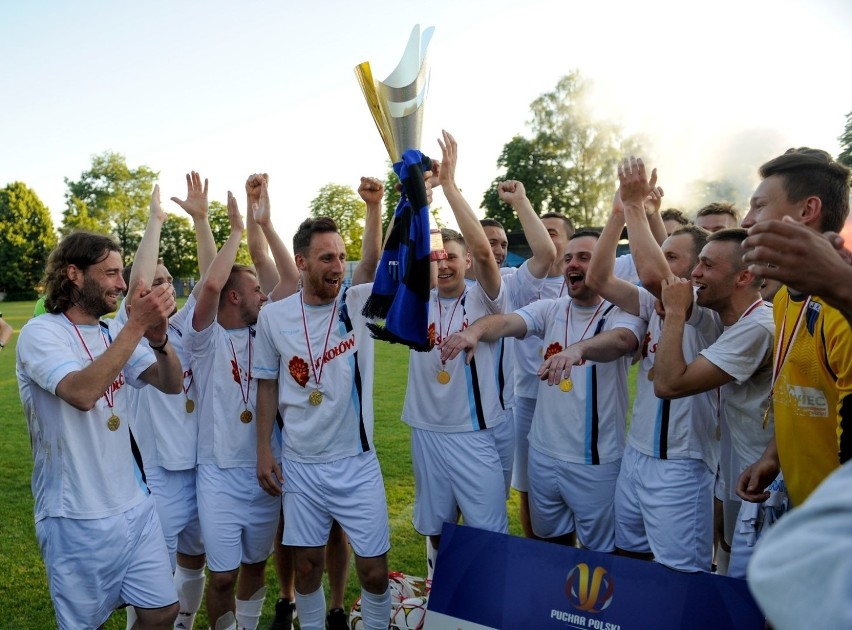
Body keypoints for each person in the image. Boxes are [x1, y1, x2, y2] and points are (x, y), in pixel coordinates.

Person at [16, 229, 183, 629]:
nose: (122, 284)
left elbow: (172, 383)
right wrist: (136, 326)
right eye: (110, 274)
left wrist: (159, 342)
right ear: (74, 273)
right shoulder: (41, 333)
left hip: (135, 504)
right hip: (76, 514)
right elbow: (82, 392)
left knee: (163, 612)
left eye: (121, 273)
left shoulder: (111, 333)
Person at [442, 229, 644, 550]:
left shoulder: (621, 311)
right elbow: (507, 322)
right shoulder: (552, 307)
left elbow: (623, 341)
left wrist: (577, 350)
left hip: (595, 461)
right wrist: (476, 331)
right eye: (568, 258)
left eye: (584, 258)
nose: (572, 264)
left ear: (606, 266)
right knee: (549, 545)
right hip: (543, 455)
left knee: (601, 555)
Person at [254, 187, 388, 630]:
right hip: (302, 464)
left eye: (340, 256)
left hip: (356, 463)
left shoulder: (357, 303)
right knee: (307, 569)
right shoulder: (274, 317)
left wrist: (374, 208)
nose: (337, 266)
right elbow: (268, 386)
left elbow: (372, 264)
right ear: (301, 262)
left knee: (373, 571)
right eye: (326, 257)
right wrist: (264, 451)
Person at [586, 158, 722, 572]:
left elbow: (653, 276)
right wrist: (618, 217)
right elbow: (599, 280)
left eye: (675, 257)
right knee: (629, 558)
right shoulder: (654, 305)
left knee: (682, 573)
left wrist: (633, 208)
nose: (664, 263)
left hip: (681, 464)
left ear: (698, 269)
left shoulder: (705, 311)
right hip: (637, 453)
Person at [118, 174, 216, 629]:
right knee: (152, 579)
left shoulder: (190, 329)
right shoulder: (133, 331)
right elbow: (138, 280)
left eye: (164, 281)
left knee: (195, 558)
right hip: (157, 472)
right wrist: (155, 221)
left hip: (202, 466)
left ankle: (186, 626)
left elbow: (212, 282)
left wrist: (202, 220)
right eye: (148, 284)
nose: (156, 289)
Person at [653, 228, 775, 577]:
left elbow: (668, 384)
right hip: (741, 475)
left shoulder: (758, 327)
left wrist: (675, 313)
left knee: (751, 584)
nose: (694, 273)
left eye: (706, 265)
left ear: (743, 277)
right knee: (727, 562)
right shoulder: (728, 319)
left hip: (767, 483)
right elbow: (651, 276)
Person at [737, 148, 852, 510]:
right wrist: (774, 456)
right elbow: (805, 393)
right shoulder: (785, 296)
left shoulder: (841, 316)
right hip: (804, 508)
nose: (745, 220)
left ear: (807, 211)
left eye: (758, 206)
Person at [188, 192, 277, 630]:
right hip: (219, 473)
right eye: (256, 289)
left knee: (257, 565)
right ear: (236, 298)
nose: (265, 294)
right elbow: (209, 285)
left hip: (265, 471)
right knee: (222, 576)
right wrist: (236, 231)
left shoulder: (269, 332)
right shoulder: (204, 339)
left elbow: (291, 285)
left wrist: (263, 224)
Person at [743, 216, 852, 326]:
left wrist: (844, 284)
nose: (745, 222)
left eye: (760, 205)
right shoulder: (781, 298)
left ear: (807, 211)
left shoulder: (832, 306)